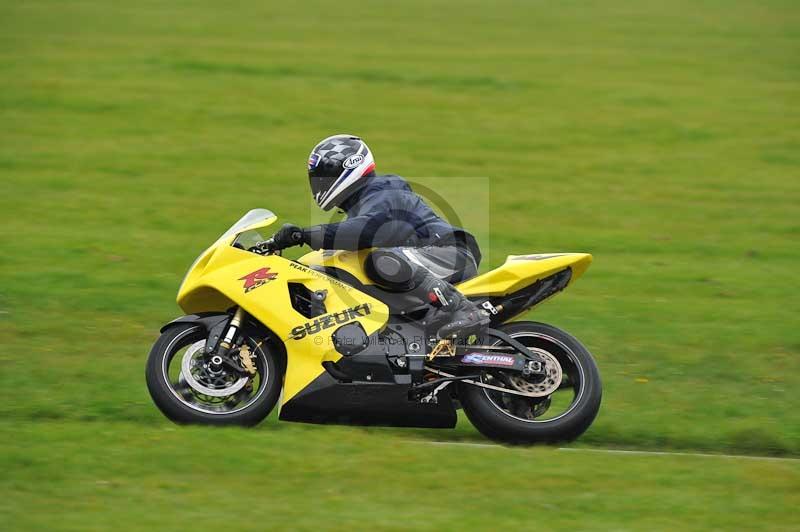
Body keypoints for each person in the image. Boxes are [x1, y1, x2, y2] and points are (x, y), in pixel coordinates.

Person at [269, 134, 489, 339]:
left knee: (380, 261)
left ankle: (463, 309)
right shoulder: (363, 205)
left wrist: (304, 235)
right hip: (427, 263)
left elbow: (365, 231)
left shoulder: (383, 192)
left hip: (449, 253)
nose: (319, 185)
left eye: (324, 176)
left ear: (349, 167)